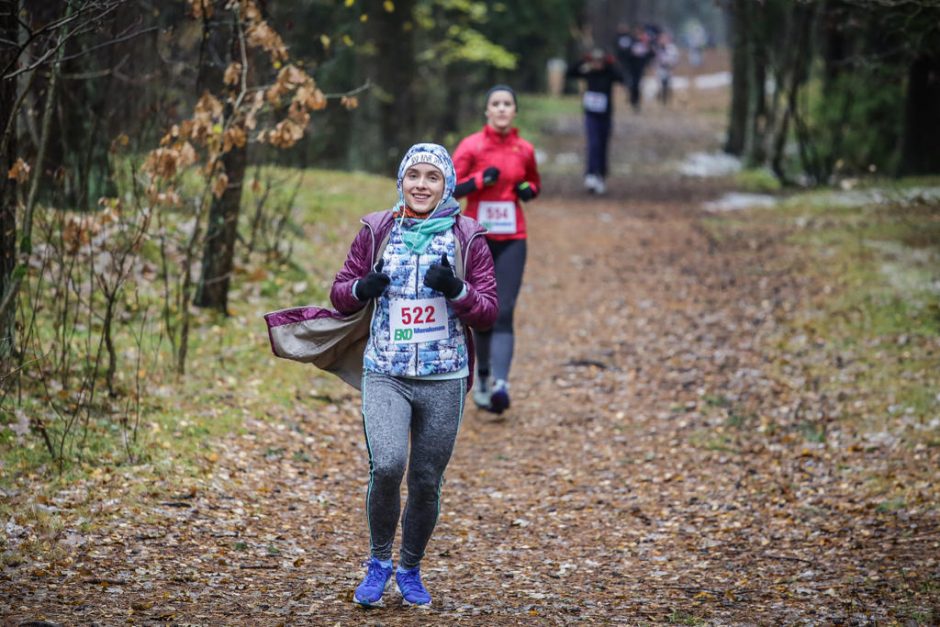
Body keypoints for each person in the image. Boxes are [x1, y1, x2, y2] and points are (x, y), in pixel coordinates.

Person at [330, 143, 498, 607]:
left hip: (444, 378)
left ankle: (410, 568)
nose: (421, 185)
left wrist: (457, 290)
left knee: (425, 479)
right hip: (386, 372)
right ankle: (378, 562)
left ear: (447, 186)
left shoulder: (468, 236)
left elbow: (487, 312)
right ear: (401, 181)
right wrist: (364, 287)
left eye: (432, 178)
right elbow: (340, 292)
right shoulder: (377, 229)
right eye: (413, 176)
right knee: (386, 466)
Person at [452, 85, 541, 415]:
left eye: (507, 104)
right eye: (496, 104)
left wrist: (528, 190)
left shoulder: (524, 148)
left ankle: (502, 385)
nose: (502, 109)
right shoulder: (471, 146)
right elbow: (447, 188)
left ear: (514, 112)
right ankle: (484, 376)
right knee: (482, 311)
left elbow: (534, 182)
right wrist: (478, 181)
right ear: (487, 111)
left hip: (513, 237)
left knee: (504, 311)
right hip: (478, 239)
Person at [566, 49, 622, 195]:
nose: (597, 64)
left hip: (605, 115)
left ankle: (601, 174)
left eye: (600, 61)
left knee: (603, 144)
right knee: (593, 143)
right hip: (591, 115)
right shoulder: (588, 73)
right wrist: (583, 60)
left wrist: (611, 63)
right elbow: (570, 73)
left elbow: (622, 78)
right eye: (594, 61)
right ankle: (590, 173)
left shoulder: (609, 74)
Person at [655, 31, 680, 106]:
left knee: (668, 85)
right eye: (662, 38)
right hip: (660, 68)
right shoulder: (657, 48)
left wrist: (672, 65)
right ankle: (662, 100)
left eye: (665, 38)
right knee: (661, 84)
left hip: (669, 68)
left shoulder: (672, 48)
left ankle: (667, 100)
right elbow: (655, 59)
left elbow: (675, 58)